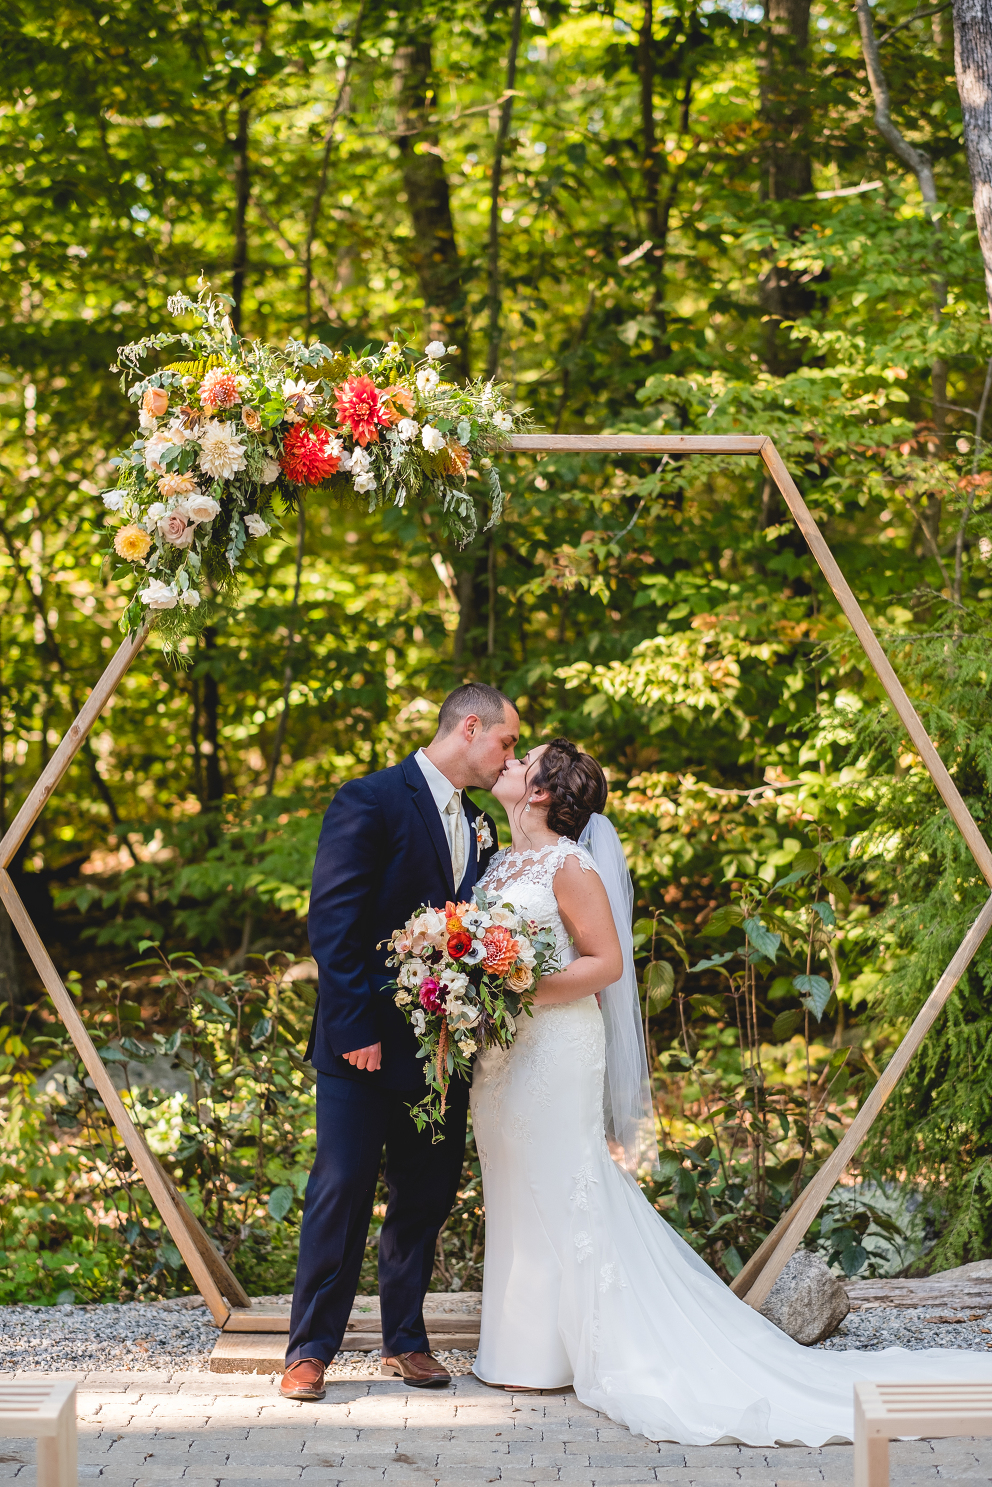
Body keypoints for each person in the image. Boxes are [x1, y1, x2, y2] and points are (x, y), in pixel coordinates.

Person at [471, 737, 992, 1445]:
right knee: (513, 1178)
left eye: (520, 758)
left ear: (539, 790)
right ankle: (519, 1346)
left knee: (564, 1181)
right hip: (504, 1053)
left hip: (558, 1048)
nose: (506, 762)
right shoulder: (502, 861)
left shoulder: (571, 864)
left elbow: (608, 964)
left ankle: (568, 1350)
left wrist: (525, 987)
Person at [281, 684, 517, 1401]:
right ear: (470, 727)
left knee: (426, 1192)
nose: (510, 756)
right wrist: (352, 1029)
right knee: (343, 1186)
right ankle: (310, 1349)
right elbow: (334, 921)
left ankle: (404, 1339)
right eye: (506, 740)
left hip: (442, 1045)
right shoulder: (372, 799)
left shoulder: (481, 827)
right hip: (361, 1046)